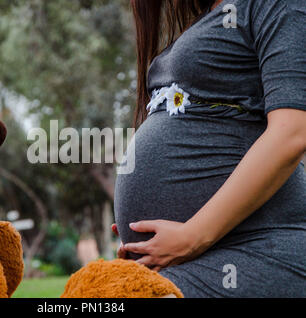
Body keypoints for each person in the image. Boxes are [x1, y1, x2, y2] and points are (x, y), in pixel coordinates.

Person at [113, 0, 306, 297]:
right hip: (205, 256)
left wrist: (192, 235)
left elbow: (292, 132)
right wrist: (140, 238)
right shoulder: (210, 17)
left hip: (260, 248)